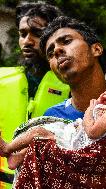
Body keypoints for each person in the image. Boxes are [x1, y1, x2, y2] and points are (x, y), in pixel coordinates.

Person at [1, 70, 106, 188]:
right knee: (41, 139)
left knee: (40, 134)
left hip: (77, 143)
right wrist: (102, 105)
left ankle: (8, 148)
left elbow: (92, 131)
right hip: (78, 140)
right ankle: (17, 158)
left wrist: (90, 109)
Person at [0, 2, 69, 188]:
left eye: (36, 33)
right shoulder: (2, 79)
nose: (27, 41)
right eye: (23, 34)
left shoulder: (72, 85)